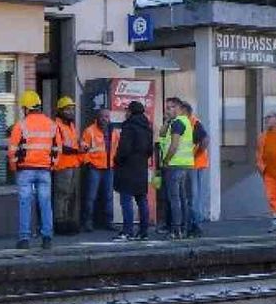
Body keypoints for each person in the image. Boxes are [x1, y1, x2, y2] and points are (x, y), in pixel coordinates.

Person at [9, 90, 60, 250]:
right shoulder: (52, 124)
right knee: (45, 203)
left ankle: (24, 238)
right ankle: (47, 238)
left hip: (25, 170)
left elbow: (12, 150)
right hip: (44, 170)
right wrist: (53, 165)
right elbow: (57, 149)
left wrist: (14, 166)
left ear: (26, 108)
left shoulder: (21, 125)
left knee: (25, 203)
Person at [112, 100, 154, 241]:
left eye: (127, 110)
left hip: (127, 168)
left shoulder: (129, 127)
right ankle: (143, 232)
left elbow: (124, 149)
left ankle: (127, 230)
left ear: (131, 111)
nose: (126, 113)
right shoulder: (147, 128)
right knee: (142, 199)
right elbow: (150, 150)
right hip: (141, 167)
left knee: (126, 199)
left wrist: (117, 160)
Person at [159, 97, 200, 239]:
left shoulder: (177, 123)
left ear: (178, 108)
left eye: (171, 107)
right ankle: (185, 228)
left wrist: (166, 160)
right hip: (186, 165)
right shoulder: (184, 122)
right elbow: (161, 134)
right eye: (167, 108)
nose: (167, 110)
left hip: (174, 165)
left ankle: (176, 229)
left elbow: (174, 145)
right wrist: (167, 120)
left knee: (174, 198)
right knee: (182, 198)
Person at [51, 97, 83, 235]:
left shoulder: (71, 125)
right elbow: (59, 147)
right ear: (60, 111)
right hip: (62, 166)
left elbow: (74, 142)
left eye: (71, 109)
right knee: (61, 195)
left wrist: (81, 146)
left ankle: (68, 221)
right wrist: (77, 150)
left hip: (73, 164)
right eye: (67, 109)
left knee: (70, 195)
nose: (71, 111)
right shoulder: (56, 125)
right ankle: (59, 222)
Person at [79, 108, 115, 232]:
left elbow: (116, 148)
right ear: (98, 118)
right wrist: (88, 162)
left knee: (109, 196)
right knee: (91, 196)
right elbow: (83, 149)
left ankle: (109, 222)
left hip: (109, 168)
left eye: (107, 117)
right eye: (103, 117)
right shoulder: (89, 131)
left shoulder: (113, 132)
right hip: (94, 167)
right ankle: (88, 222)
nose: (105, 119)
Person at [185, 101, 212, 225]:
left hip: (195, 163)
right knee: (195, 192)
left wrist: (195, 154)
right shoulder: (191, 122)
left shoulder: (194, 123)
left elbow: (205, 140)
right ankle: (196, 217)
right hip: (195, 162)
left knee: (194, 192)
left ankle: (195, 219)